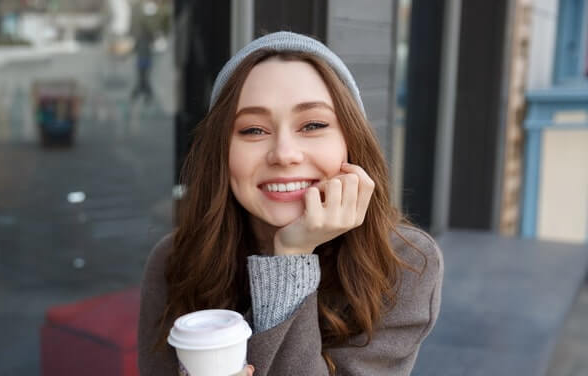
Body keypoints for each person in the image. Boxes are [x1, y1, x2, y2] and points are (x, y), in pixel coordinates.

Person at [137, 31, 443, 375]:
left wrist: (292, 259)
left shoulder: (404, 262)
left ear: (351, 142)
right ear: (221, 153)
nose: (284, 154)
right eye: (253, 130)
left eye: (313, 125)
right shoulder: (175, 259)